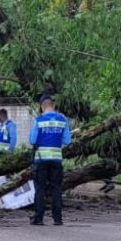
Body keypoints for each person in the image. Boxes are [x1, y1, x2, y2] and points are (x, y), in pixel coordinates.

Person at [28, 94, 71, 226]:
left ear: (42, 107)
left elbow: (32, 140)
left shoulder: (38, 120)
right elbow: (67, 141)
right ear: (53, 105)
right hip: (56, 159)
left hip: (40, 159)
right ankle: (57, 219)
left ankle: (39, 218)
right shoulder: (62, 120)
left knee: (40, 188)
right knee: (56, 188)